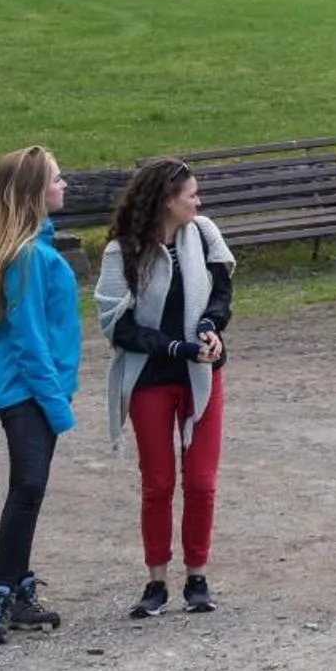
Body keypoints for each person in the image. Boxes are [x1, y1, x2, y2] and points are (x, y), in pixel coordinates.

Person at [96, 159, 235, 620]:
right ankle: (156, 580)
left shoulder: (205, 234)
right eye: (191, 195)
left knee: (201, 481)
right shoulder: (122, 251)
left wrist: (211, 327)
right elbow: (118, 326)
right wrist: (176, 348)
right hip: (150, 377)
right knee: (158, 483)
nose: (199, 202)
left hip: (202, 374)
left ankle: (197, 575)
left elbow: (221, 294)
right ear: (167, 201)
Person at [0, 145, 80, 645]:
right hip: (28, 391)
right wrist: (57, 406)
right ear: (34, 191)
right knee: (28, 486)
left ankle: (20, 588)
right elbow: (30, 341)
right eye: (56, 178)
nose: (64, 184)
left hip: (34, 389)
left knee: (30, 489)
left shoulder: (30, 249)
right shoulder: (29, 257)